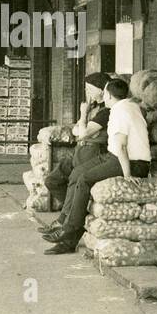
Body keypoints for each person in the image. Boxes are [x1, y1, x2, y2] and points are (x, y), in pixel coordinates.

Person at [43, 77, 150, 255]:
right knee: (78, 173)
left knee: (85, 180)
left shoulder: (119, 112)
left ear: (107, 94)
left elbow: (122, 146)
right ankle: (67, 228)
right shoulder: (130, 106)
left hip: (130, 162)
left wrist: (127, 175)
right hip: (114, 155)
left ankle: (68, 232)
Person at [41, 71, 111, 214]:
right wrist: (83, 123)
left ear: (101, 90)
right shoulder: (94, 108)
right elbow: (76, 131)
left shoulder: (106, 112)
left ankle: (72, 215)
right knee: (52, 180)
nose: (88, 92)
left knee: (76, 181)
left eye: (90, 89)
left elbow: (83, 133)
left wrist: (83, 115)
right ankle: (77, 211)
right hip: (79, 151)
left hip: (93, 152)